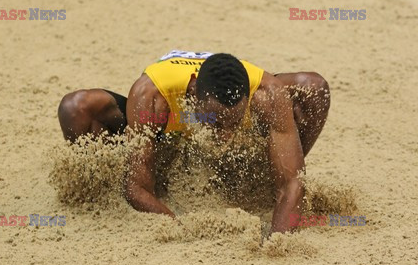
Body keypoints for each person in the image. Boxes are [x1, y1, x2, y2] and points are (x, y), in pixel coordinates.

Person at [57, 50, 330, 233]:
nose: (224, 134)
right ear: (193, 90)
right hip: (165, 134)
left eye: (233, 122)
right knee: (75, 108)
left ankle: (265, 177)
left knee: (314, 87)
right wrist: (182, 230)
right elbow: (136, 189)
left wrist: (277, 240)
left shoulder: (265, 94)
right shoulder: (152, 96)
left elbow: (294, 184)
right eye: (215, 122)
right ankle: (113, 182)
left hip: (249, 131)